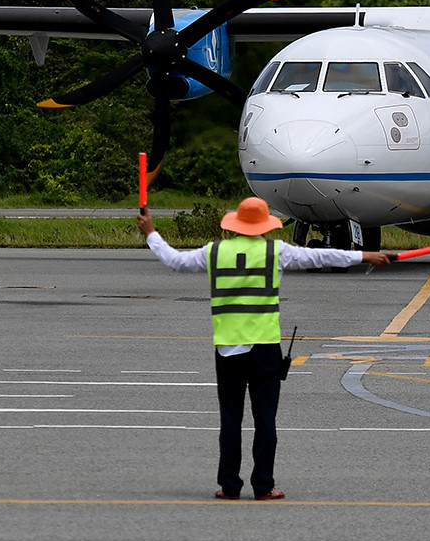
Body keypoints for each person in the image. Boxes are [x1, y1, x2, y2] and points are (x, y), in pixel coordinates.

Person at [139, 197, 393, 500]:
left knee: (231, 421)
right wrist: (365, 256)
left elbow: (174, 261)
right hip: (265, 349)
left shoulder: (215, 252)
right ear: (264, 226)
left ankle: (229, 486)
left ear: (234, 225)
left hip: (228, 350)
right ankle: (263, 485)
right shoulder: (276, 251)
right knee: (265, 421)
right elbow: (322, 257)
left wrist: (151, 233)